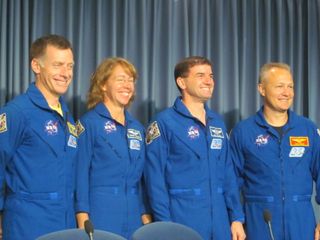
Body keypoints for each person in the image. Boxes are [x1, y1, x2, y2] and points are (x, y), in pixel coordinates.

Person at [144, 56, 246, 240]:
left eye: (211, 75)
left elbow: (228, 173)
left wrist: (236, 218)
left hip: (220, 221)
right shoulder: (163, 123)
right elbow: (154, 180)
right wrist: (164, 225)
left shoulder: (217, 124)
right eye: (200, 75)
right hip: (182, 219)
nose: (209, 81)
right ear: (181, 82)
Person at [229, 62, 320, 240]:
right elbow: (231, 180)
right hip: (260, 221)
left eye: (290, 86)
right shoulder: (244, 131)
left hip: (301, 221)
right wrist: (236, 218)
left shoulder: (308, 129)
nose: (287, 93)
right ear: (261, 89)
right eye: (279, 86)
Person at [0, 34, 77, 239]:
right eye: (58, 65)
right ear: (36, 65)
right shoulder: (17, 112)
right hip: (27, 224)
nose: (66, 73)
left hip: (65, 221)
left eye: (70, 66)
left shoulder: (68, 118)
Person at [75, 57, 151, 238]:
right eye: (120, 79)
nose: (127, 85)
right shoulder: (89, 124)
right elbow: (80, 174)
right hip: (101, 211)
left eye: (130, 80)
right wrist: (82, 216)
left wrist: (144, 213)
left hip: (134, 213)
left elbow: (141, 180)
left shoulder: (137, 128)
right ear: (103, 85)